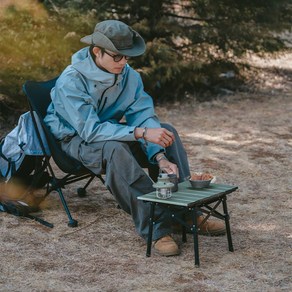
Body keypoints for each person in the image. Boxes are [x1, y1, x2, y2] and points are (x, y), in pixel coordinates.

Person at [44, 20, 225, 256]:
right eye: (117, 57)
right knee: (114, 149)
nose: (123, 63)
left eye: (127, 57)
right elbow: (90, 131)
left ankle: (185, 212)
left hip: (109, 131)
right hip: (74, 139)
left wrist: (159, 156)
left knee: (165, 129)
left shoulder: (128, 76)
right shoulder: (72, 80)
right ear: (97, 51)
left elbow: (142, 115)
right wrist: (140, 133)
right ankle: (157, 227)